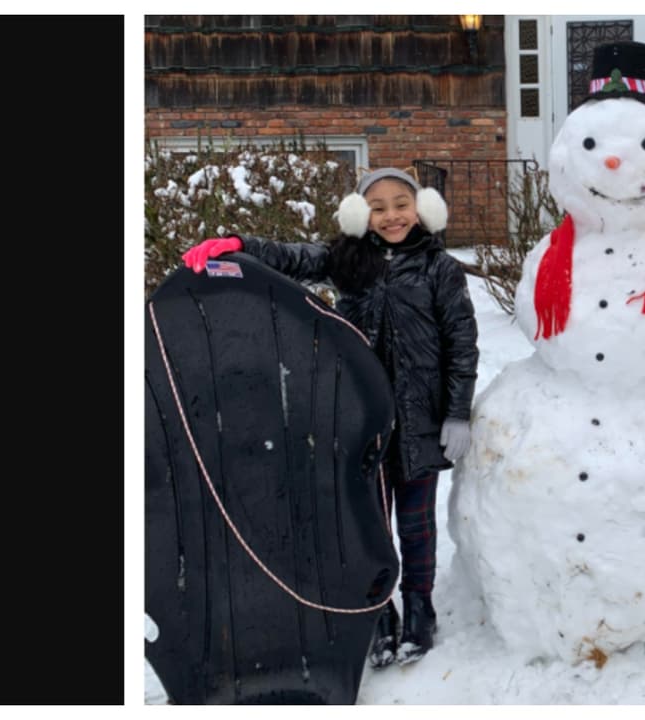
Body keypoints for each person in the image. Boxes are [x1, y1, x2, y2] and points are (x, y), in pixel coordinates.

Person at [182, 167, 479, 665]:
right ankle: (378, 611)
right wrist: (235, 244)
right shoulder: (346, 261)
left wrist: (457, 414)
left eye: (400, 203)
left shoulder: (438, 268)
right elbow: (290, 258)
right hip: (358, 418)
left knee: (415, 522)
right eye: (378, 207)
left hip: (421, 420)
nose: (391, 216)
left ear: (421, 207)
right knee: (368, 524)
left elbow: (462, 343)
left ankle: (420, 606)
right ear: (361, 214)